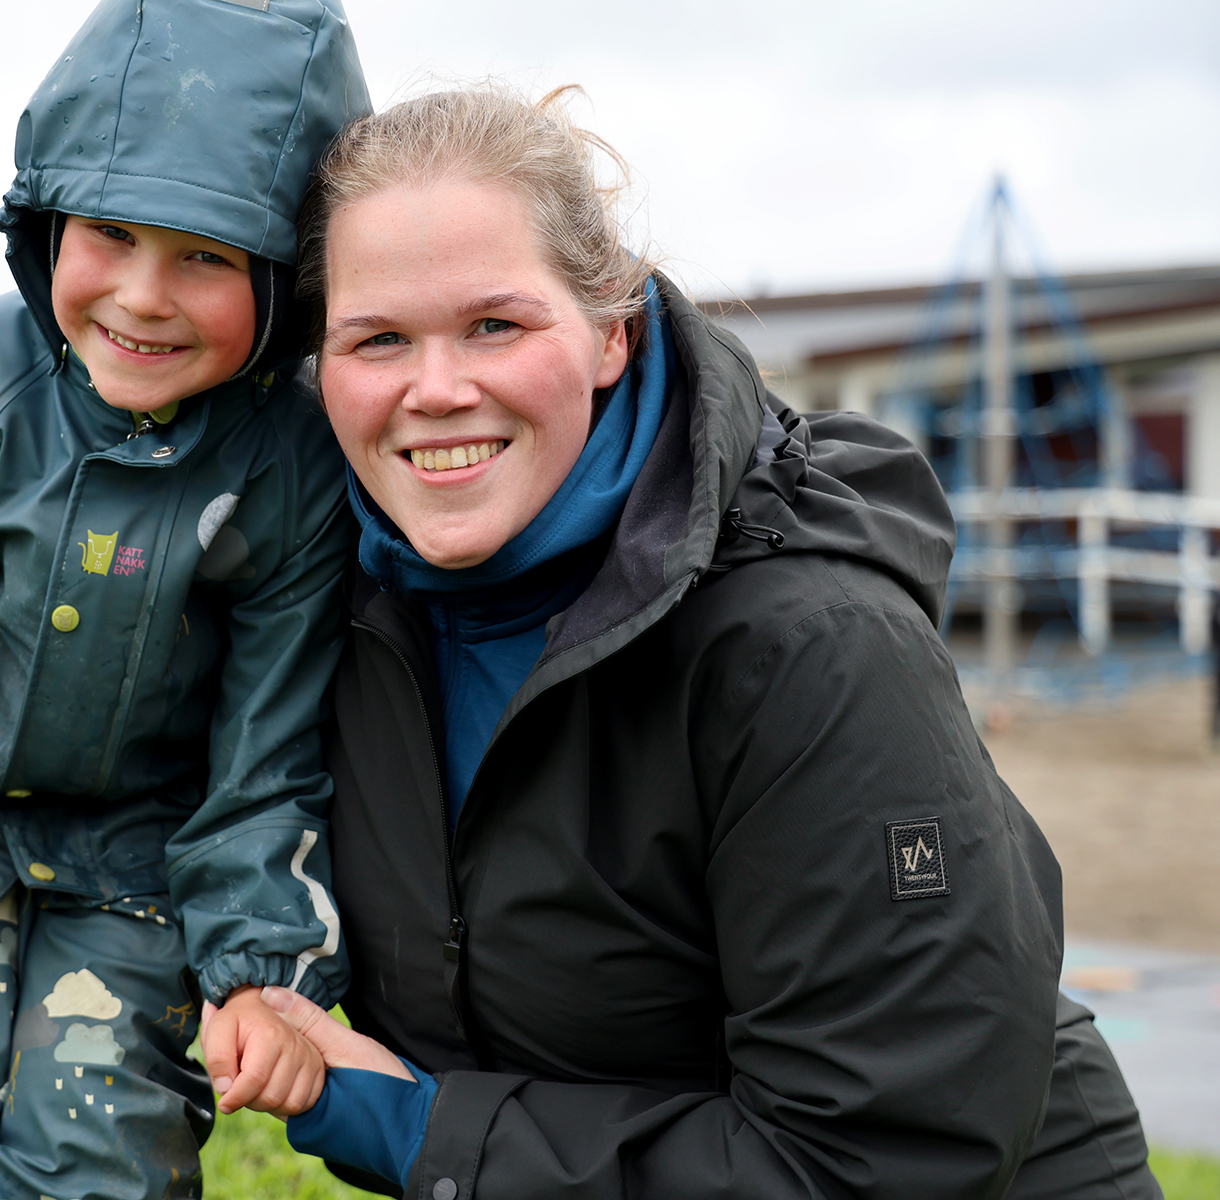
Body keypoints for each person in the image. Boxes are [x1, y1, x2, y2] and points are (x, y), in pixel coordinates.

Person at [254, 85, 1162, 1199]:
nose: (437, 389)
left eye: (496, 323)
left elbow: (879, 1163)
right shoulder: (322, 608)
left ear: (609, 334)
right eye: (378, 338)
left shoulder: (810, 648)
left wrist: (420, 1129)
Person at [0, 2, 370, 1196]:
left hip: (136, 877)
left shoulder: (295, 466)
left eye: (205, 256)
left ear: (289, 276)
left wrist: (259, 962)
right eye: (110, 233)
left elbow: (273, 747)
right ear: (45, 220)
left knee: (100, 1156)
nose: (144, 296)